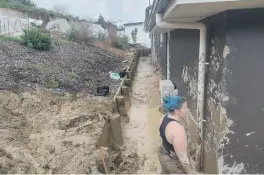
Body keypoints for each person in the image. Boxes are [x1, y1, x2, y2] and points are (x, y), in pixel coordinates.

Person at [158, 95, 198, 174]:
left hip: (163, 153)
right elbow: (183, 159)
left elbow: (164, 137)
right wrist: (190, 172)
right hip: (172, 162)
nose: (187, 110)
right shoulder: (178, 130)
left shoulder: (163, 118)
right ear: (176, 111)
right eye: (185, 108)